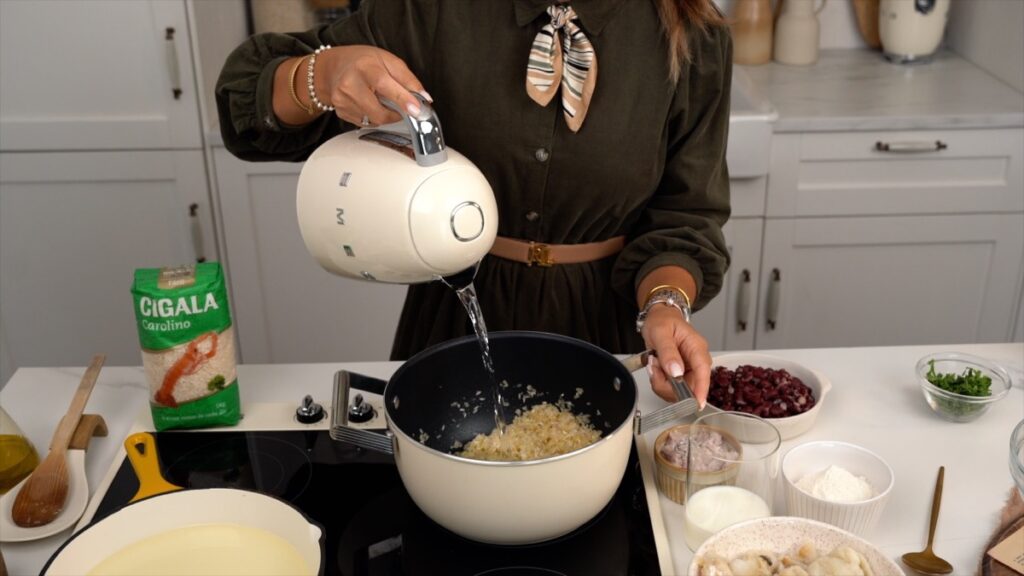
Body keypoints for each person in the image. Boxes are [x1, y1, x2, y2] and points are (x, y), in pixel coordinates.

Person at [216, 0, 732, 408]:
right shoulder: (431, 11)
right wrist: (323, 74)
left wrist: (666, 307)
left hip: (609, 340)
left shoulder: (696, 36)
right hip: (453, 322)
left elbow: (686, 217)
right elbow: (245, 102)